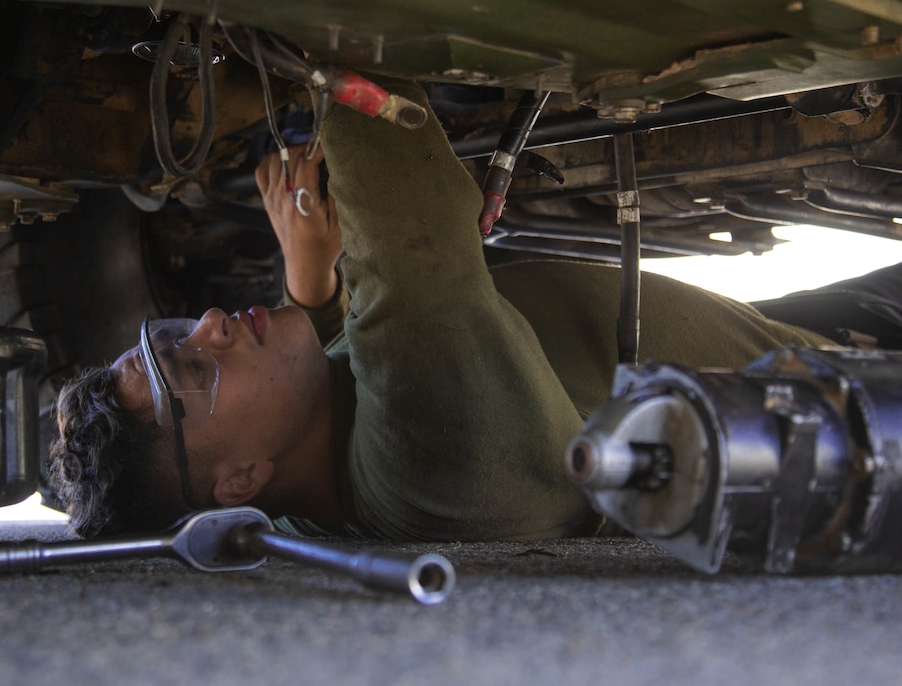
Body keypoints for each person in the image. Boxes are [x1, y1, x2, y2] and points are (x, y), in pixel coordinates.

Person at [49, 81, 831, 540]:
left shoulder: (303, 502)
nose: (210, 322)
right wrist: (318, 41)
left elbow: (332, 382)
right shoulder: (429, 470)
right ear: (240, 479)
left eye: (175, 335)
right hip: (847, 368)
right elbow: (408, 237)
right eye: (192, 366)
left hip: (764, 343)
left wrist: (310, 287)